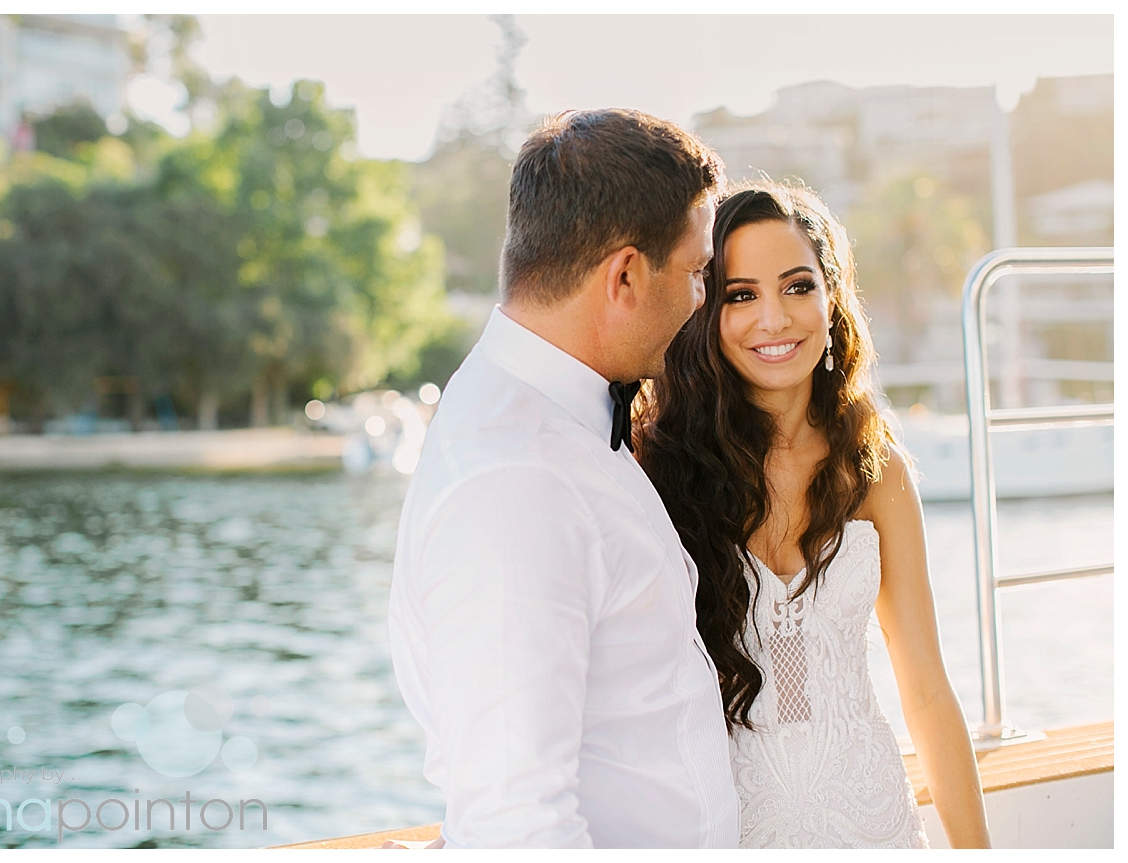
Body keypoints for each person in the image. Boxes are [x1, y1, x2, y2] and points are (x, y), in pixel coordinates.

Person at [388, 109, 739, 848]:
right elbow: (518, 826)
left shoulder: (556, 418)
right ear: (625, 276)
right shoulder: (517, 482)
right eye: (696, 271)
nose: (700, 298)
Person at [636, 181, 991, 848]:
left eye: (797, 286)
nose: (773, 318)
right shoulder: (661, 468)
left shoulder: (874, 465)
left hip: (872, 822)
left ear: (832, 300)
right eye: (741, 294)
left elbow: (926, 691)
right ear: (705, 310)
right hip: (728, 833)